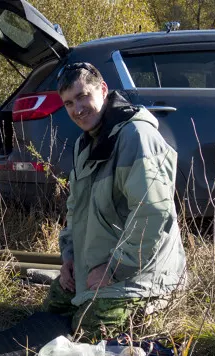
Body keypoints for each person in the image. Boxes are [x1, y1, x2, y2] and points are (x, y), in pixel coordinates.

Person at [44, 62, 186, 334]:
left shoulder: (137, 137)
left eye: (83, 96)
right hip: (99, 260)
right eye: (69, 103)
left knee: (87, 331)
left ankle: (152, 306)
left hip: (141, 271)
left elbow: (152, 214)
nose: (77, 109)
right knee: (55, 307)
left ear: (103, 90)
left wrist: (114, 268)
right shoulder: (84, 143)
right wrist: (69, 258)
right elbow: (76, 208)